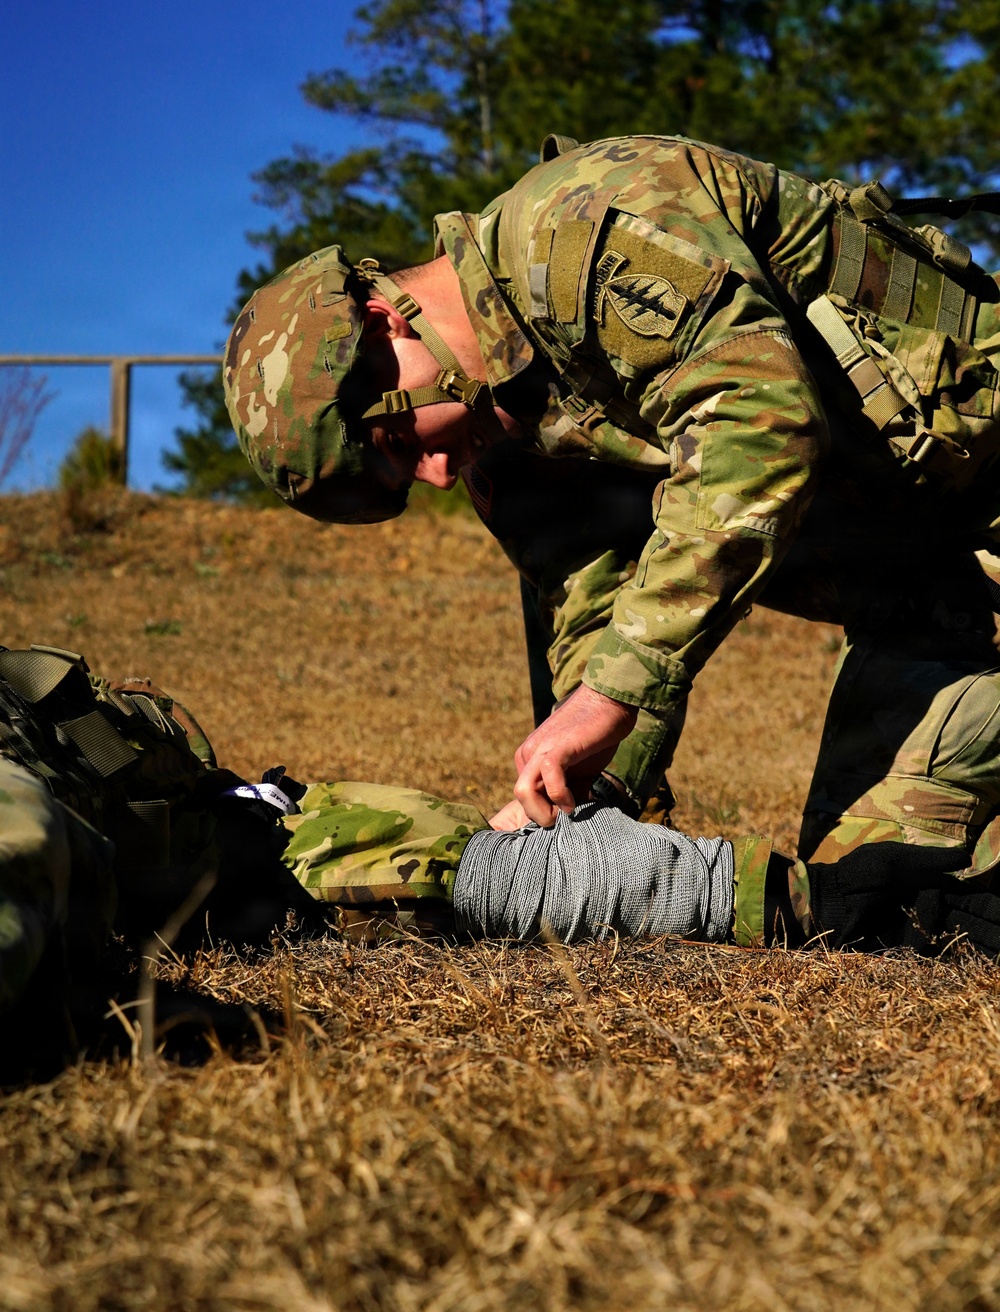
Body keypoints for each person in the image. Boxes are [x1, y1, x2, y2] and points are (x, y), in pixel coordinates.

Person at [222, 132, 1000, 891]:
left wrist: (611, 697)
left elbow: (758, 424)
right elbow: (593, 608)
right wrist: (587, 808)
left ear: (386, 324)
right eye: (399, 483)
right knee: (873, 897)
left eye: (397, 439)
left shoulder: (581, 230)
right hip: (946, 604)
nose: (432, 477)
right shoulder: (504, 437)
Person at [3, 640, 998, 1055]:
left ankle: (865, 896)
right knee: (496, 877)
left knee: (494, 868)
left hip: (276, 831)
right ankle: (872, 892)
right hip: (275, 854)